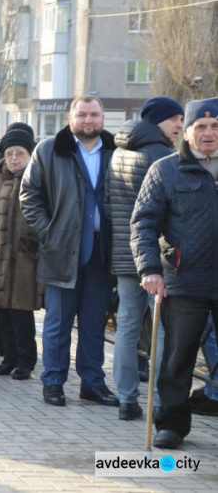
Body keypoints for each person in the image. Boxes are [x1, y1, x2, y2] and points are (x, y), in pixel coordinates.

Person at [131, 97, 218, 449]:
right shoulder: (165, 170)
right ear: (186, 132)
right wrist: (150, 269)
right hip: (184, 281)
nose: (209, 133)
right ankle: (172, 424)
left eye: (215, 127)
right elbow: (143, 224)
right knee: (176, 359)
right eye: (201, 127)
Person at [20, 95, 117, 407]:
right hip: (62, 249)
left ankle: (92, 383)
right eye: (82, 115)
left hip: (102, 251)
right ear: (70, 117)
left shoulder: (116, 151)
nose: (88, 121)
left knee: (93, 323)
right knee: (58, 323)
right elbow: (29, 194)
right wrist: (49, 232)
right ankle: (53, 381)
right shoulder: (50, 149)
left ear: (103, 117)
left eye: (94, 115)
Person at [107, 96, 184, 420]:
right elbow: (171, 212)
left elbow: (109, 204)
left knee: (125, 326)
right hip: (158, 259)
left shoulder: (118, 152)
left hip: (125, 254)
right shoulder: (162, 155)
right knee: (162, 330)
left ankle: (126, 399)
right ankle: (158, 399)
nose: (180, 126)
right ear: (157, 121)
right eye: (174, 121)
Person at [0, 127, 43, 381]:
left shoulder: (38, 177)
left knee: (21, 311)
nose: (14, 158)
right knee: (1, 309)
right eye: (9, 153)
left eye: (20, 153)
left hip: (23, 256)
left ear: (30, 154)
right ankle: (8, 357)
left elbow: (43, 213)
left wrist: (33, 241)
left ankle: (26, 360)